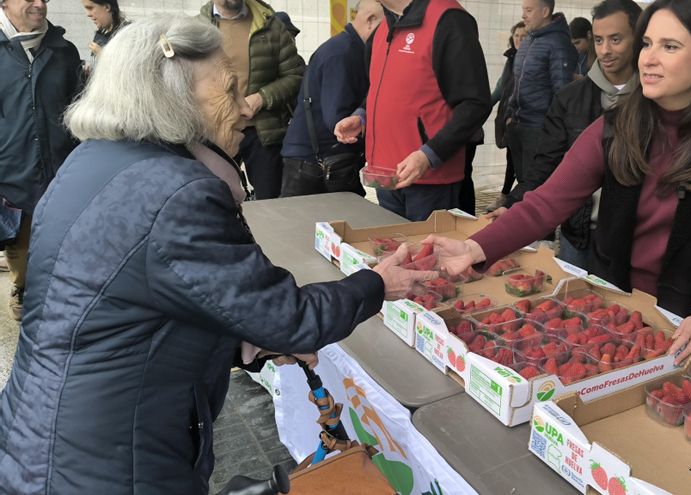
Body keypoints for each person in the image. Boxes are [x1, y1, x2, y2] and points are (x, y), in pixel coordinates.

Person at [0, 16, 435, 494]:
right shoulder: (177, 193)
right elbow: (287, 317)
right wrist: (377, 283)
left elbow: (123, 314)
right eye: (229, 92)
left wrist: (245, 345)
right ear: (175, 103)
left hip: (43, 432)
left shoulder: (91, 162)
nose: (244, 109)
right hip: (110, 462)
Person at [426, 0, 691, 364]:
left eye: (670, 46)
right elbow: (546, 203)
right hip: (623, 318)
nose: (648, 59)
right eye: (647, 44)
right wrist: (476, 249)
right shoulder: (618, 125)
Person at [494, 0, 643, 268]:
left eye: (616, 39)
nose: (605, 50)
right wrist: (514, 204)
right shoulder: (571, 99)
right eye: (599, 40)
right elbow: (545, 166)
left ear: (639, 37)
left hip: (634, 241)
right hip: (579, 233)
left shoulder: (655, 101)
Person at [334, 0, 492, 222]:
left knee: (427, 254)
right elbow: (380, 88)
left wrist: (428, 155)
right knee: (393, 251)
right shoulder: (384, 29)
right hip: (386, 176)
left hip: (430, 181)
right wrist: (361, 116)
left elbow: (475, 103)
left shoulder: (448, 20)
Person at [0, 0, 82, 321]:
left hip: (62, 171)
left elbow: (79, 112)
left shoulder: (64, 51)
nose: (40, 4)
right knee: (20, 244)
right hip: (11, 171)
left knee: (61, 242)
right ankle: (21, 287)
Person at [199, 0, 305, 200]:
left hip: (262, 131)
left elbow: (296, 76)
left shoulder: (270, 26)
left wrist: (262, 98)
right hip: (216, 132)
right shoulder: (198, 28)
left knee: (270, 201)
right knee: (215, 196)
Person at [279, 0, 383, 197]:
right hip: (312, 165)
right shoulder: (342, 54)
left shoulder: (348, 49)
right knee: (302, 225)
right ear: (371, 20)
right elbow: (337, 120)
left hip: (315, 161)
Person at [504, 0, 576, 187]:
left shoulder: (558, 43)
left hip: (538, 129)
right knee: (523, 183)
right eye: (523, 10)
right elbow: (516, 83)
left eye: (528, 10)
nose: (523, 15)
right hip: (519, 125)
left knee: (535, 186)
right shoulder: (528, 40)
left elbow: (562, 92)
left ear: (545, 11)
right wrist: (510, 116)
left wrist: (550, 128)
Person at [488, 21, 526, 212]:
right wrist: (482, 108)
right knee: (511, 157)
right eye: (516, 36)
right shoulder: (511, 58)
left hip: (522, 118)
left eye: (523, 36)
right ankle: (506, 197)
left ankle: (510, 198)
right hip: (509, 117)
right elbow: (501, 87)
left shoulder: (531, 58)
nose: (518, 40)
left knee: (518, 162)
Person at [80, 0, 130, 74]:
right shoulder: (101, 33)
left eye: (90, 8)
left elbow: (131, 73)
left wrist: (103, 56)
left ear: (107, 7)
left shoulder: (128, 34)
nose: (87, 14)